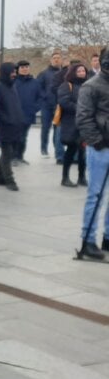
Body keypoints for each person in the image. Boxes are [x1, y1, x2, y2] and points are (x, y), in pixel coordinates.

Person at [75, 48, 109, 259]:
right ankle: (88, 240)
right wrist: (97, 142)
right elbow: (83, 117)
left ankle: (107, 237)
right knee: (95, 195)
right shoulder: (91, 86)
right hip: (101, 148)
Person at [0, 63, 24, 191]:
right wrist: (4, 120)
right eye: (12, 72)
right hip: (5, 125)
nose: (14, 74)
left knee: (9, 152)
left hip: (15, 125)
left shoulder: (13, 87)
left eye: (15, 72)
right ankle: (9, 179)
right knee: (7, 153)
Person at [59, 63, 88, 188]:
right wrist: (80, 109)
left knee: (83, 152)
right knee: (71, 150)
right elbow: (64, 102)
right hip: (71, 123)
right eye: (79, 71)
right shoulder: (66, 85)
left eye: (83, 71)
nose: (82, 73)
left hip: (84, 124)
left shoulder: (88, 86)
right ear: (73, 72)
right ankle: (65, 177)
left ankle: (81, 177)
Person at [13, 60, 42, 165]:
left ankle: (20, 156)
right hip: (15, 114)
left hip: (28, 113)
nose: (25, 69)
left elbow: (40, 97)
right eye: (22, 67)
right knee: (16, 136)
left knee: (23, 137)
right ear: (18, 69)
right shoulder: (13, 82)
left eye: (26, 67)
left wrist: (35, 108)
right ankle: (14, 157)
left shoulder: (35, 82)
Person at [37, 50, 63, 159]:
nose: (56, 60)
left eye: (58, 58)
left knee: (58, 128)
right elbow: (38, 88)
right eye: (54, 58)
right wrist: (45, 97)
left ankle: (57, 148)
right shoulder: (44, 73)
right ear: (51, 60)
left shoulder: (64, 73)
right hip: (46, 105)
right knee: (45, 127)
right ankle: (44, 149)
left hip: (59, 105)